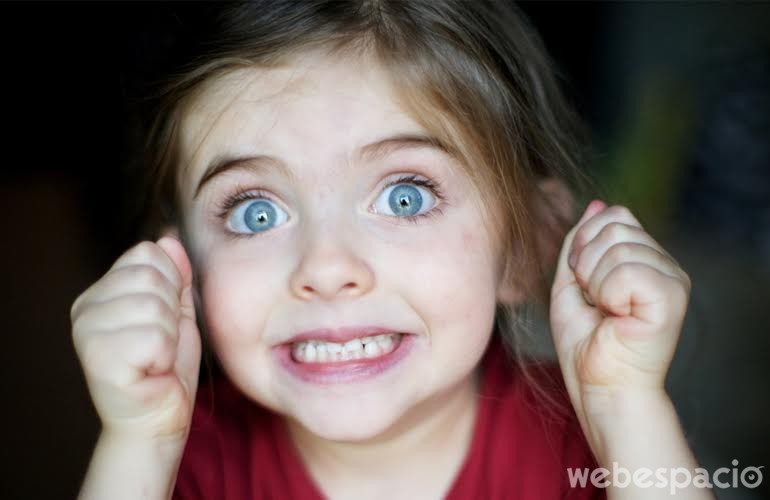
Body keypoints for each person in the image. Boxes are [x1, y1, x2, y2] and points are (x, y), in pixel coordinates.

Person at [70, 1, 712, 498]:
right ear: (182, 277)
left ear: (523, 245)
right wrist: (140, 443)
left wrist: (623, 404)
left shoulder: (591, 443)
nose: (325, 268)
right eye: (255, 212)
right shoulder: (184, 464)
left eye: (406, 196)